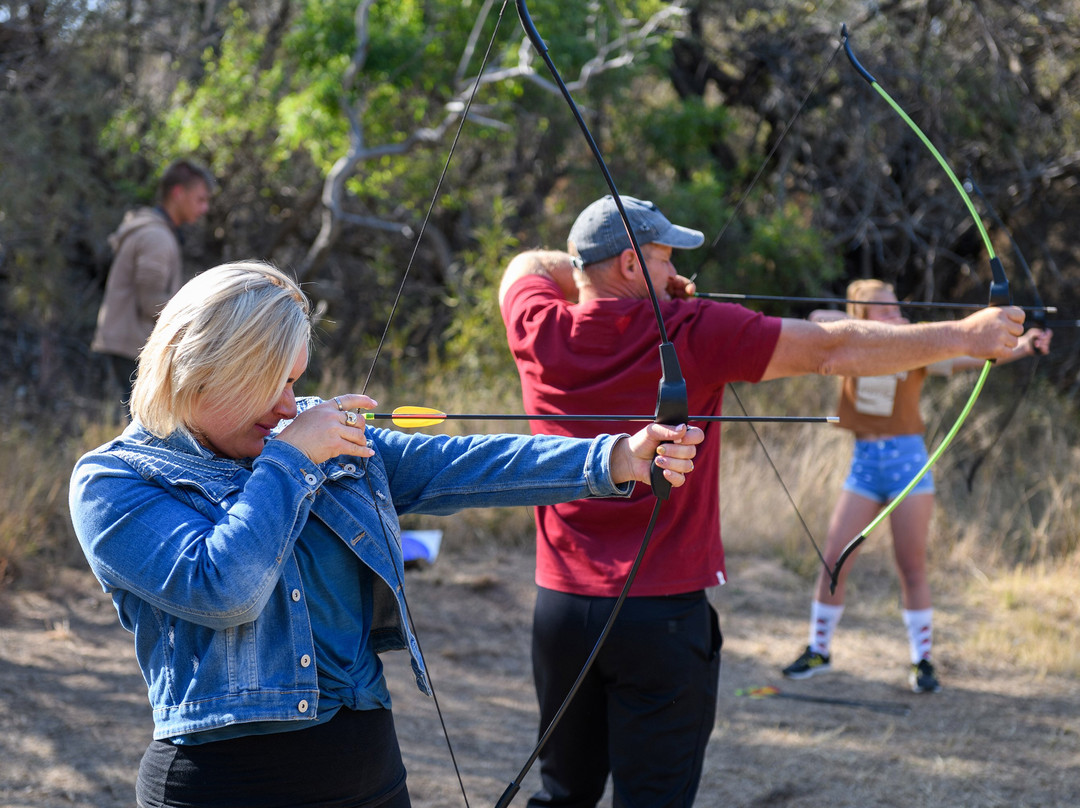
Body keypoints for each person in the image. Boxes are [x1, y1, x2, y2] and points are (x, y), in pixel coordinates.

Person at [68, 260, 703, 808]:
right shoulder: (115, 480)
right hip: (222, 783)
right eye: (272, 385)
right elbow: (224, 587)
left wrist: (619, 457)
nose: (291, 405)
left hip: (367, 769)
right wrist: (289, 464)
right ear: (204, 372)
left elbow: (459, 465)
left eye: (296, 381)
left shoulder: (316, 440)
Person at [498, 194, 1027, 808]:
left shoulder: (537, 324)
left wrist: (589, 268)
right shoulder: (695, 329)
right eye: (665, 259)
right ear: (628, 266)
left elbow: (523, 267)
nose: (677, 274)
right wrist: (967, 334)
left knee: (562, 796)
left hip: (560, 610)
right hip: (660, 616)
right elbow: (832, 349)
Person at [781, 279, 1052, 694]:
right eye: (885, 309)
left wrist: (1026, 344)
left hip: (908, 463)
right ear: (862, 316)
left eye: (896, 307)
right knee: (834, 559)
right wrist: (866, 327)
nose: (897, 315)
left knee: (912, 565)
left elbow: (971, 355)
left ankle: (921, 660)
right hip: (865, 466)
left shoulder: (916, 347)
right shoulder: (847, 345)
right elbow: (820, 319)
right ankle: (819, 650)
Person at [91, 158, 214, 415]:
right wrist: (199, 323)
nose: (205, 208)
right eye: (200, 199)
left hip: (130, 343)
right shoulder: (156, 236)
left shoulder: (158, 232)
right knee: (145, 425)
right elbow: (151, 302)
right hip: (132, 345)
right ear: (178, 193)